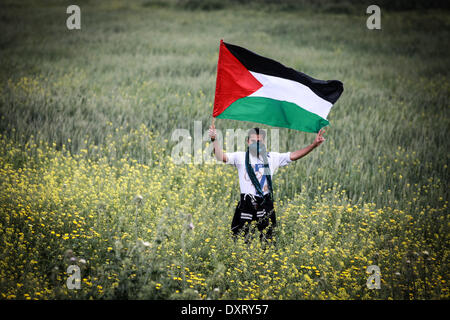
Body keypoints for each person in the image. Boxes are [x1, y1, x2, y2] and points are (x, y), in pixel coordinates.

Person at [208, 124, 326, 243]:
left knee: (268, 241)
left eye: (259, 141)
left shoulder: (272, 157)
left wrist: (313, 145)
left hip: (265, 203)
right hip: (246, 204)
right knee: (241, 241)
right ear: (248, 142)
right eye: (253, 141)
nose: (256, 144)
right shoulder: (240, 157)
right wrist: (214, 140)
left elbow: (293, 156)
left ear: (264, 142)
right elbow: (220, 156)